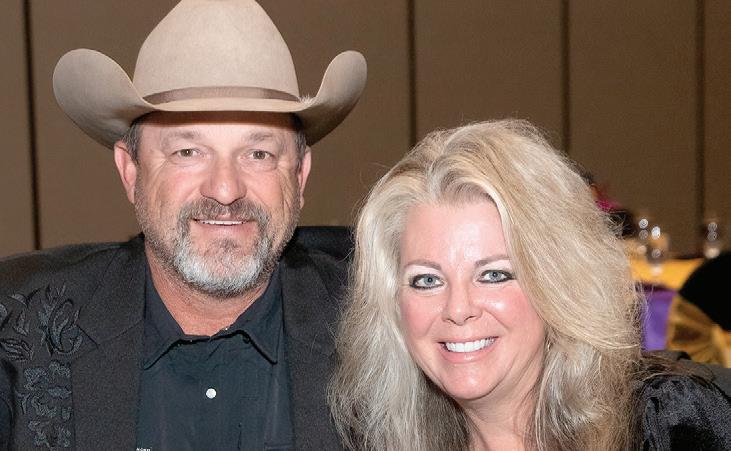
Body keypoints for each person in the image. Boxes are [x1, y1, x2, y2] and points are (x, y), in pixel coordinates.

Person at [0, 0, 365, 449]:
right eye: (187, 152)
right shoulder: (18, 337)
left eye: (259, 154)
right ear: (131, 171)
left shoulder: (381, 328)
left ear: (300, 176)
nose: (225, 189)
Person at [329, 120, 731, 450]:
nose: (458, 309)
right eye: (427, 280)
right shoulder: (380, 441)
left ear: (557, 284)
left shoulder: (674, 426)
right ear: (393, 306)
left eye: (494, 275)